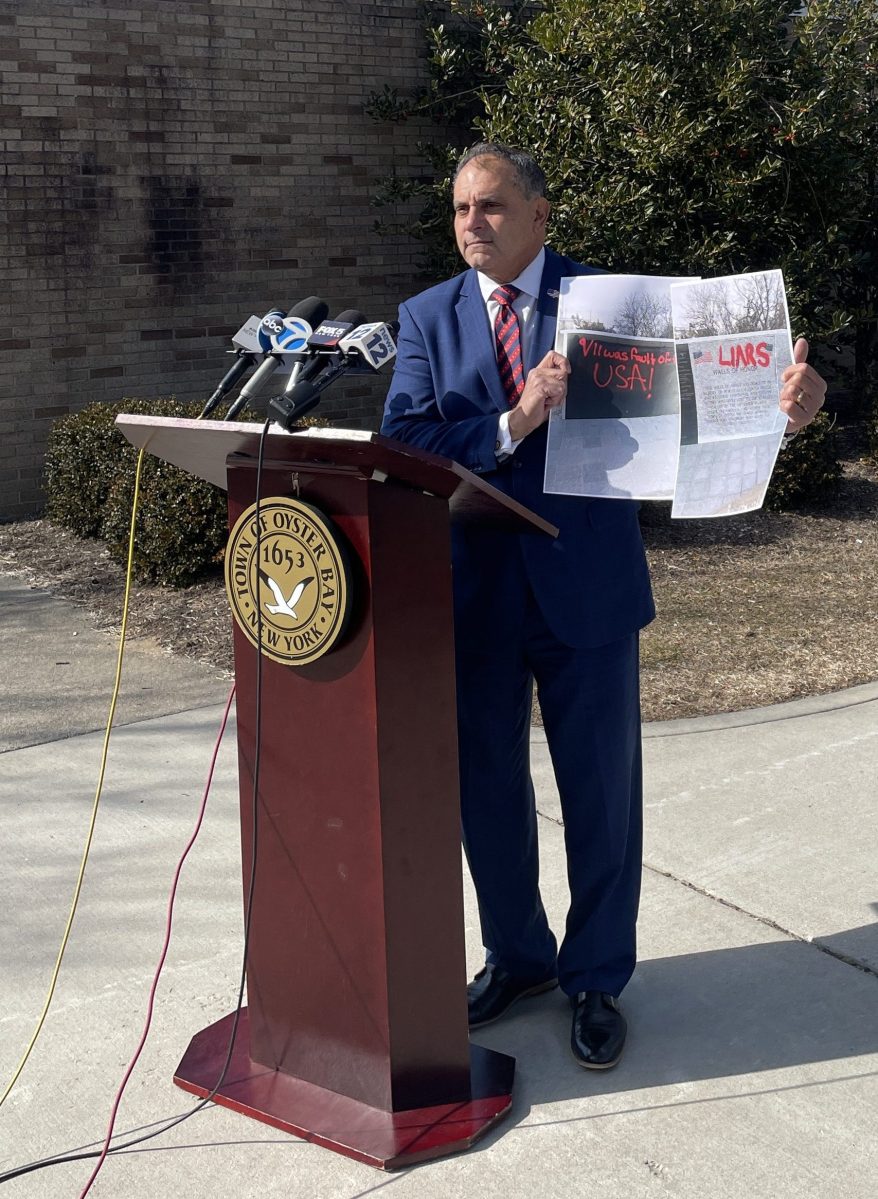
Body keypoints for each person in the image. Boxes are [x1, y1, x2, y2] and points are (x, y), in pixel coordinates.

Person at [380, 142, 826, 1068]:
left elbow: (703, 403)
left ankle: (595, 979)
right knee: (486, 792)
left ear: (540, 215)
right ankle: (521, 958)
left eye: (492, 206)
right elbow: (408, 438)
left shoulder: (617, 304)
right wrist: (512, 420)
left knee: (601, 794)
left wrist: (785, 407)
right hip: (473, 591)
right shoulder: (426, 317)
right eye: (461, 207)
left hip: (586, 585)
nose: (472, 223)